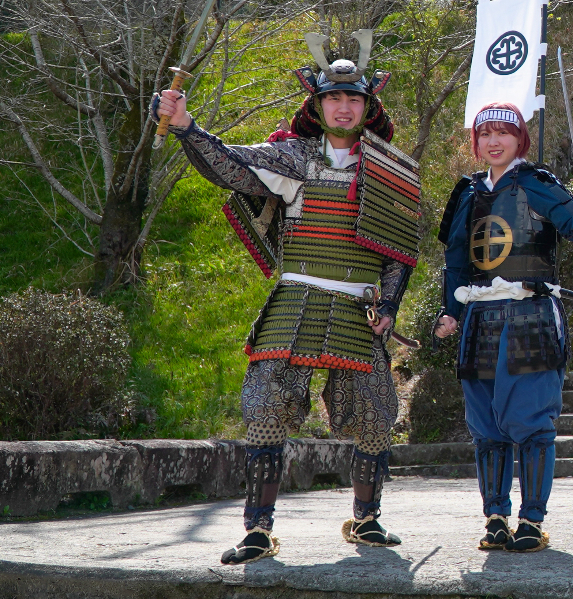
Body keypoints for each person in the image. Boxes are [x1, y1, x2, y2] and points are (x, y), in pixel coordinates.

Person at [153, 31, 420, 564]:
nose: (343, 107)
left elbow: (398, 251)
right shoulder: (292, 158)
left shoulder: (391, 169)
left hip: (357, 308)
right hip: (296, 301)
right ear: (316, 104)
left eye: (353, 99)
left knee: (374, 410)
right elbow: (229, 165)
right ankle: (258, 529)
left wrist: (388, 309)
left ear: (368, 106)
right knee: (267, 406)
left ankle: (366, 520)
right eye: (333, 98)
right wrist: (184, 126)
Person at [434, 102, 573, 553]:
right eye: (484, 133)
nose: (493, 141)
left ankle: (531, 520)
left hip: (530, 318)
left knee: (530, 420)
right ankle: (494, 518)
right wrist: (449, 311)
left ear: (519, 139)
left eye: (503, 133)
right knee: (485, 425)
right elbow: (454, 262)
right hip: (480, 319)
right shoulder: (466, 194)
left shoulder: (537, 183)